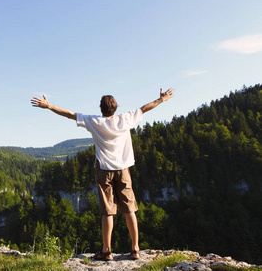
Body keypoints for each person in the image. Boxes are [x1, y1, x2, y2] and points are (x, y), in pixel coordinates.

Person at [31, 88, 175, 260]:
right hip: (123, 169)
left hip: (104, 170)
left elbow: (70, 114)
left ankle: (107, 251)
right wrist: (162, 99)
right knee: (130, 209)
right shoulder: (125, 118)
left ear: (101, 108)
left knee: (107, 211)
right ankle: (135, 249)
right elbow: (145, 108)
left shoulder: (95, 122)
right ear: (115, 108)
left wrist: (49, 106)